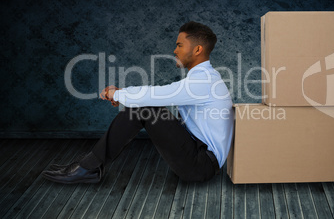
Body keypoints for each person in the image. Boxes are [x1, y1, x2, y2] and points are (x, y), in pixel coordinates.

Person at [41, 21, 234, 183]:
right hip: (198, 157)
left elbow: (157, 94)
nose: (174, 50)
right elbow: (159, 96)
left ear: (198, 49)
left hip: (201, 166)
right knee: (144, 107)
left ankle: (87, 168)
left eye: (179, 45)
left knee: (144, 108)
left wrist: (118, 95)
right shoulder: (204, 78)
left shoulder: (204, 81)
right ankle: (88, 166)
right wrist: (125, 96)